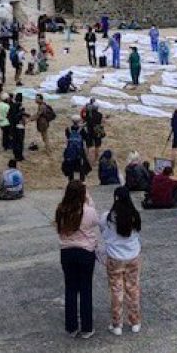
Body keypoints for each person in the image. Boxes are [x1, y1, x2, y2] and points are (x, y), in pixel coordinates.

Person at [55, 181, 100, 339]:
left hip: (67, 252)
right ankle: (87, 327)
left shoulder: (61, 210)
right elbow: (96, 220)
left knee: (70, 289)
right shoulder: (87, 211)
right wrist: (89, 199)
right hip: (85, 251)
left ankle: (71, 326)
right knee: (86, 289)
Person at [101, 187, 142, 336]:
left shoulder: (108, 217)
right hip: (133, 257)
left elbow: (103, 233)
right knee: (133, 289)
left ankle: (117, 324)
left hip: (115, 258)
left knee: (116, 291)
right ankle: (135, 322)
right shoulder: (135, 216)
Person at [63, 116, 90, 181]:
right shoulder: (82, 129)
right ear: (79, 121)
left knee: (70, 165)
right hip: (79, 150)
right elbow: (86, 139)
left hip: (70, 150)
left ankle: (71, 180)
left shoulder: (68, 129)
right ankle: (82, 180)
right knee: (81, 166)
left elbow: (67, 137)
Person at [82, 99, 105, 164]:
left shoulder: (88, 114)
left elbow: (85, 120)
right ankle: (95, 160)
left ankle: (85, 159)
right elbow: (101, 122)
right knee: (97, 146)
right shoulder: (100, 114)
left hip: (90, 130)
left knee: (88, 145)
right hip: (97, 130)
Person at [9, 93, 27, 161]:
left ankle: (16, 155)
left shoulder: (12, 106)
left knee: (15, 141)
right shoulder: (21, 107)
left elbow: (10, 116)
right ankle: (20, 155)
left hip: (14, 126)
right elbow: (22, 117)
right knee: (20, 142)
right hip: (20, 126)